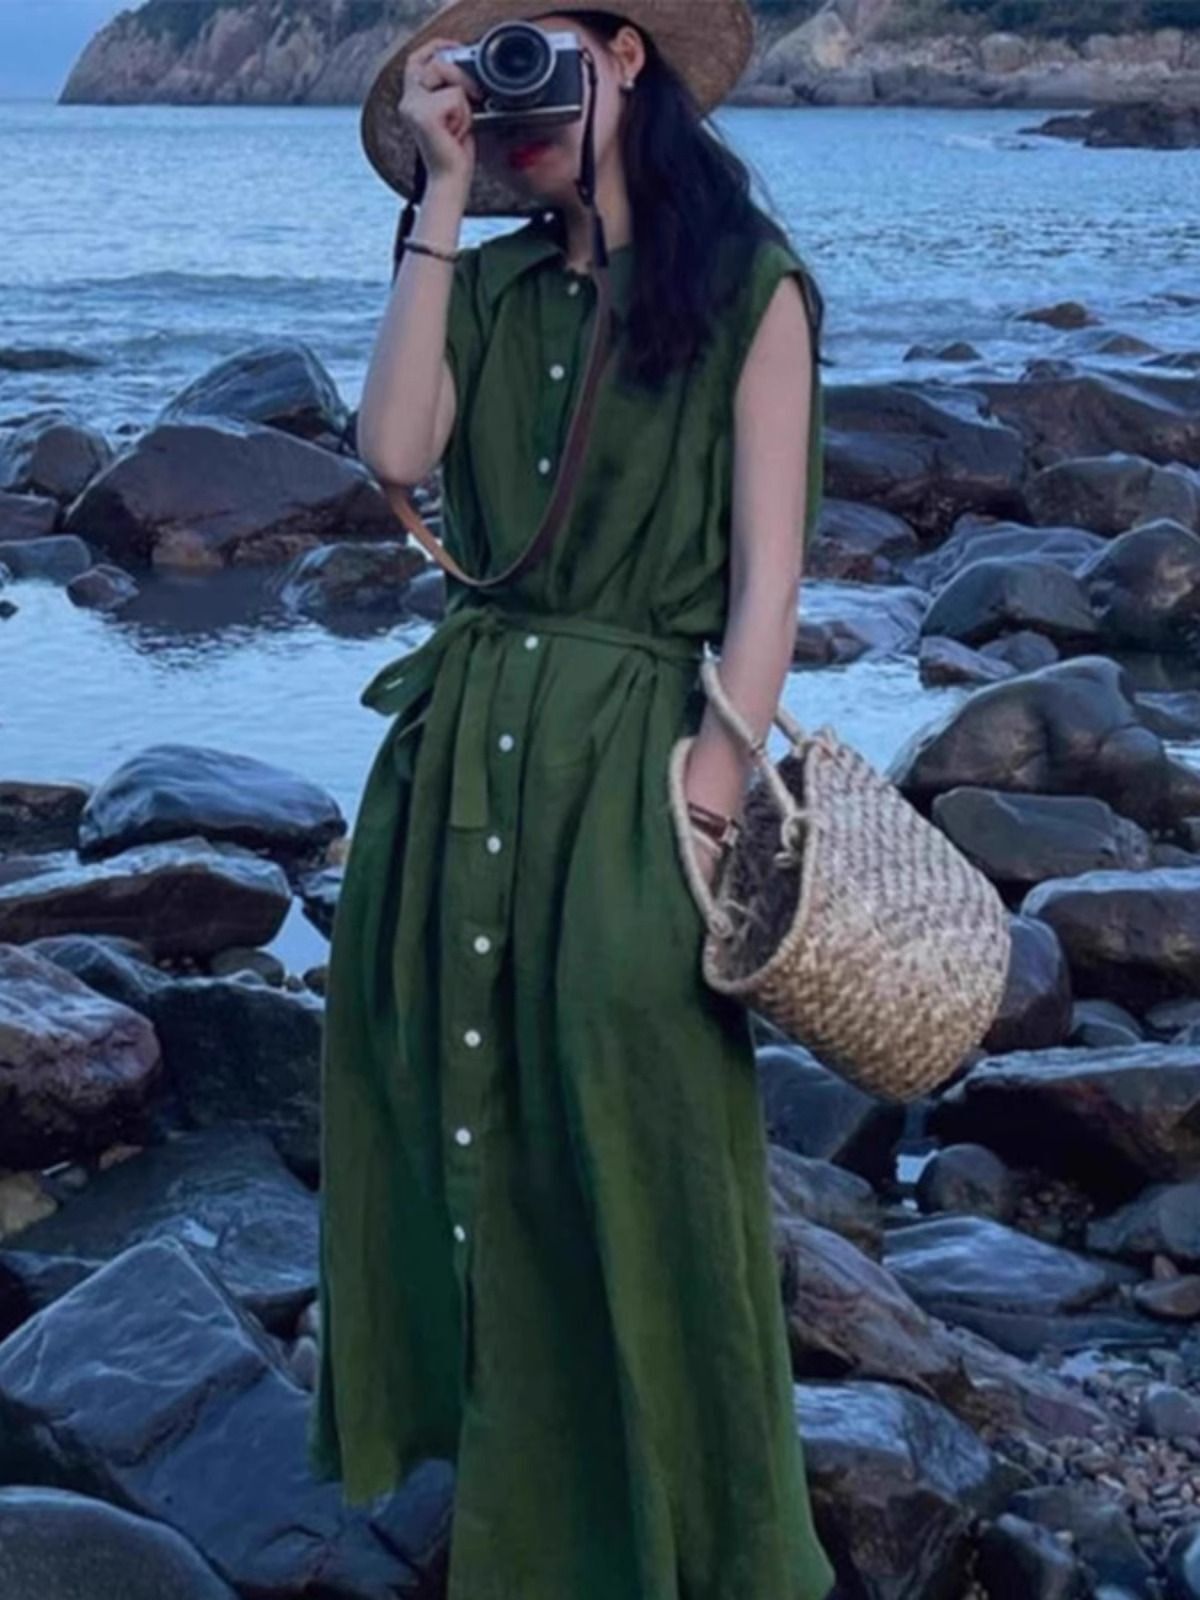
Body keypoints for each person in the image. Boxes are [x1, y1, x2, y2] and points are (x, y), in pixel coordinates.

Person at [307, 1, 838, 1596]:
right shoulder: (482, 281)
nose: (515, 97)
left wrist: (707, 799)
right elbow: (393, 449)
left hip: (634, 769)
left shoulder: (750, 286)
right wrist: (439, 195)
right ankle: (522, 1516)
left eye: (537, 54)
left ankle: (703, 1539)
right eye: (488, 75)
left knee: (645, 1142)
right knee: (454, 1124)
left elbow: (768, 583)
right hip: (459, 755)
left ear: (624, 55)